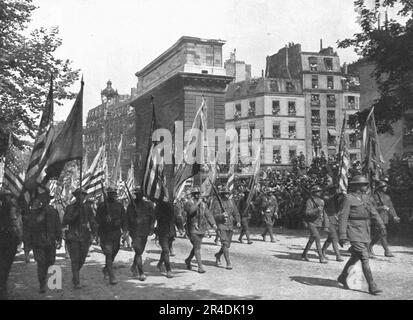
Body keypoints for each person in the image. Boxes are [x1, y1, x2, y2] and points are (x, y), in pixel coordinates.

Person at [337, 175, 386, 295]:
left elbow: (373, 213)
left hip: (365, 230)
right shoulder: (348, 198)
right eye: (364, 184)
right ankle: (372, 286)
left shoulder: (366, 198)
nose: (366, 186)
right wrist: (342, 235)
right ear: (357, 186)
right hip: (353, 230)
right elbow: (343, 217)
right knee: (364, 256)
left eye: (366, 184)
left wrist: (381, 226)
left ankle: (343, 277)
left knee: (355, 257)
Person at [28, 191, 62, 293]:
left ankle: (44, 276)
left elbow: (58, 226)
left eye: (47, 199)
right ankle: (42, 284)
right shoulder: (35, 212)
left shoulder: (54, 212)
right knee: (41, 263)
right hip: (38, 242)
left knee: (50, 262)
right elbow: (32, 225)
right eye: (43, 200)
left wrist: (59, 239)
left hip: (51, 241)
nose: (46, 201)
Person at [63, 188, 97, 289]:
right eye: (78, 195)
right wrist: (75, 213)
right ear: (76, 196)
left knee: (81, 259)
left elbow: (92, 221)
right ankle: (77, 281)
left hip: (85, 236)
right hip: (73, 236)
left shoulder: (87, 208)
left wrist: (94, 233)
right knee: (75, 259)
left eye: (82, 195)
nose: (80, 197)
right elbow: (65, 221)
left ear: (84, 197)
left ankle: (75, 274)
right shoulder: (70, 207)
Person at [96, 187, 128, 285]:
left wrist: (125, 230)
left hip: (116, 232)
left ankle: (106, 268)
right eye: (110, 193)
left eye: (114, 193)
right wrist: (104, 219)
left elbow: (124, 218)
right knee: (109, 253)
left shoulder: (119, 205)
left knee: (115, 250)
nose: (112, 195)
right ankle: (111, 276)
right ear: (108, 194)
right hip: (105, 233)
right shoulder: (101, 206)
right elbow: (97, 219)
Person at [184, 187, 217, 273]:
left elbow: (208, 214)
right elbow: (190, 212)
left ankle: (188, 260)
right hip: (192, 228)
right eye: (196, 194)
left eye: (199, 194)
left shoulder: (203, 204)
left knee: (196, 246)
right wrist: (196, 204)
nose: (198, 195)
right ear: (193, 195)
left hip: (202, 228)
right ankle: (200, 267)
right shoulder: (188, 203)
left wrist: (213, 223)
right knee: (197, 247)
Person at [126, 186, 155, 281]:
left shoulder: (148, 205)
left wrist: (151, 228)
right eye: (137, 194)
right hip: (135, 232)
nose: (138, 196)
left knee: (140, 251)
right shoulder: (131, 206)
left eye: (140, 194)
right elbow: (127, 219)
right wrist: (134, 220)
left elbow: (152, 217)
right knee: (138, 252)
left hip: (145, 231)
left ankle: (134, 266)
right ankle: (141, 273)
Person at [0, 189, 22, 300]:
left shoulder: (14, 211)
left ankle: (3, 288)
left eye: (9, 196)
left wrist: (19, 238)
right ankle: (2, 290)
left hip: (10, 241)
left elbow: (17, 226)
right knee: (3, 266)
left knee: (6, 266)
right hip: (3, 239)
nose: (7, 199)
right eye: (5, 197)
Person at [211, 187, 241, 270]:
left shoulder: (231, 202)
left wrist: (238, 221)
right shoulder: (217, 202)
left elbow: (236, 212)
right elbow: (213, 215)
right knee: (224, 243)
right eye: (226, 193)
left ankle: (218, 255)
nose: (228, 195)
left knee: (227, 245)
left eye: (228, 193)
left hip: (230, 225)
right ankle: (228, 263)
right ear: (222, 194)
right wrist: (221, 216)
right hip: (221, 225)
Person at [370, 181, 400, 257]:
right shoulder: (373, 197)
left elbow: (391, 208)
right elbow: (371, 208)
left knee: (378, 235)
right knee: (383, 233)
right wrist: (381, 208)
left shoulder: (387, 197)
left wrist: (395, 216)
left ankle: (369, 247)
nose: (386, 188)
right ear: (380, 188)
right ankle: (387, 251)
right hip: (376, 218)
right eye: (384, 187)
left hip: (384, 218)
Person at [301, 185, 330, 263]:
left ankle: (304, 254)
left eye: (320, 191)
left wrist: (326, 224)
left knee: (312, 239)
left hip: (319, 222)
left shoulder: (321, 201)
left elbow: (324, 213)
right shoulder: (309, 201)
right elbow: (307, 212)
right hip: (311, 222)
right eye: (317, 191)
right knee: (317, 238)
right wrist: (316, 210)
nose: (319, 192)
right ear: (314, 193)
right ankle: (321, 257)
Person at [321, 186, 344, 262]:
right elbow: (326, 210)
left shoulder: (337, 200)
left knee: (330, 238)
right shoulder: (327, 199)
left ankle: (322, 251)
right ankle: (338, 256)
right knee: (334, 238)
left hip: (335, 220)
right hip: (329, 220)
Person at [155, 201, 176, 278]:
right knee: (166, 250)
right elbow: (156, 221)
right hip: (162, 233)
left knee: (165, 251)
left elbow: (175, 219)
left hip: (170, 232)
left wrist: (180, 228)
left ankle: (160, 264)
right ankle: (168, 270)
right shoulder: (158, 208)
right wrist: (156, 236)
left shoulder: (171, 207)